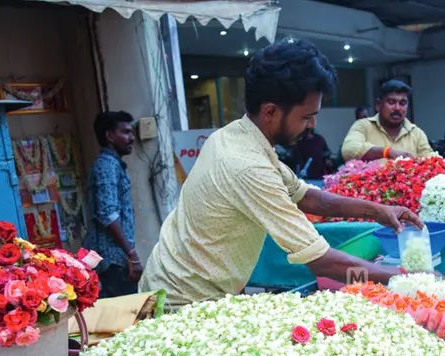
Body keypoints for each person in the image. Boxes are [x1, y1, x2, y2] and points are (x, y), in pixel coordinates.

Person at [139, 40, 422, 309]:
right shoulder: (247, 166)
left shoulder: (237, 135)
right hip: (180, 302)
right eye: (306, 116)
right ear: (271, 112)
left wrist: (379, 211)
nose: (312, 125)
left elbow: (310, 198)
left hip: (178, 285)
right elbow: (321, 261)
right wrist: (407, 278)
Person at [83, 111, 143, 298]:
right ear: (109, 135)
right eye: (126, 132)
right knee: (127, 311)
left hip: (117, 259)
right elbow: (107, 214)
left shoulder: (113, 164)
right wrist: (131, 254)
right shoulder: (106, 165)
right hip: (112, 261)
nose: (132, 137)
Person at [341, 80, 435, 161]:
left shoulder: (416, 133)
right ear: (378, 105)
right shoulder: (363, 126)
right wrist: (387, 152)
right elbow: (348, 150)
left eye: (402, 103)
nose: (397, 108)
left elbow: (430, 160)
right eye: (391, 102)